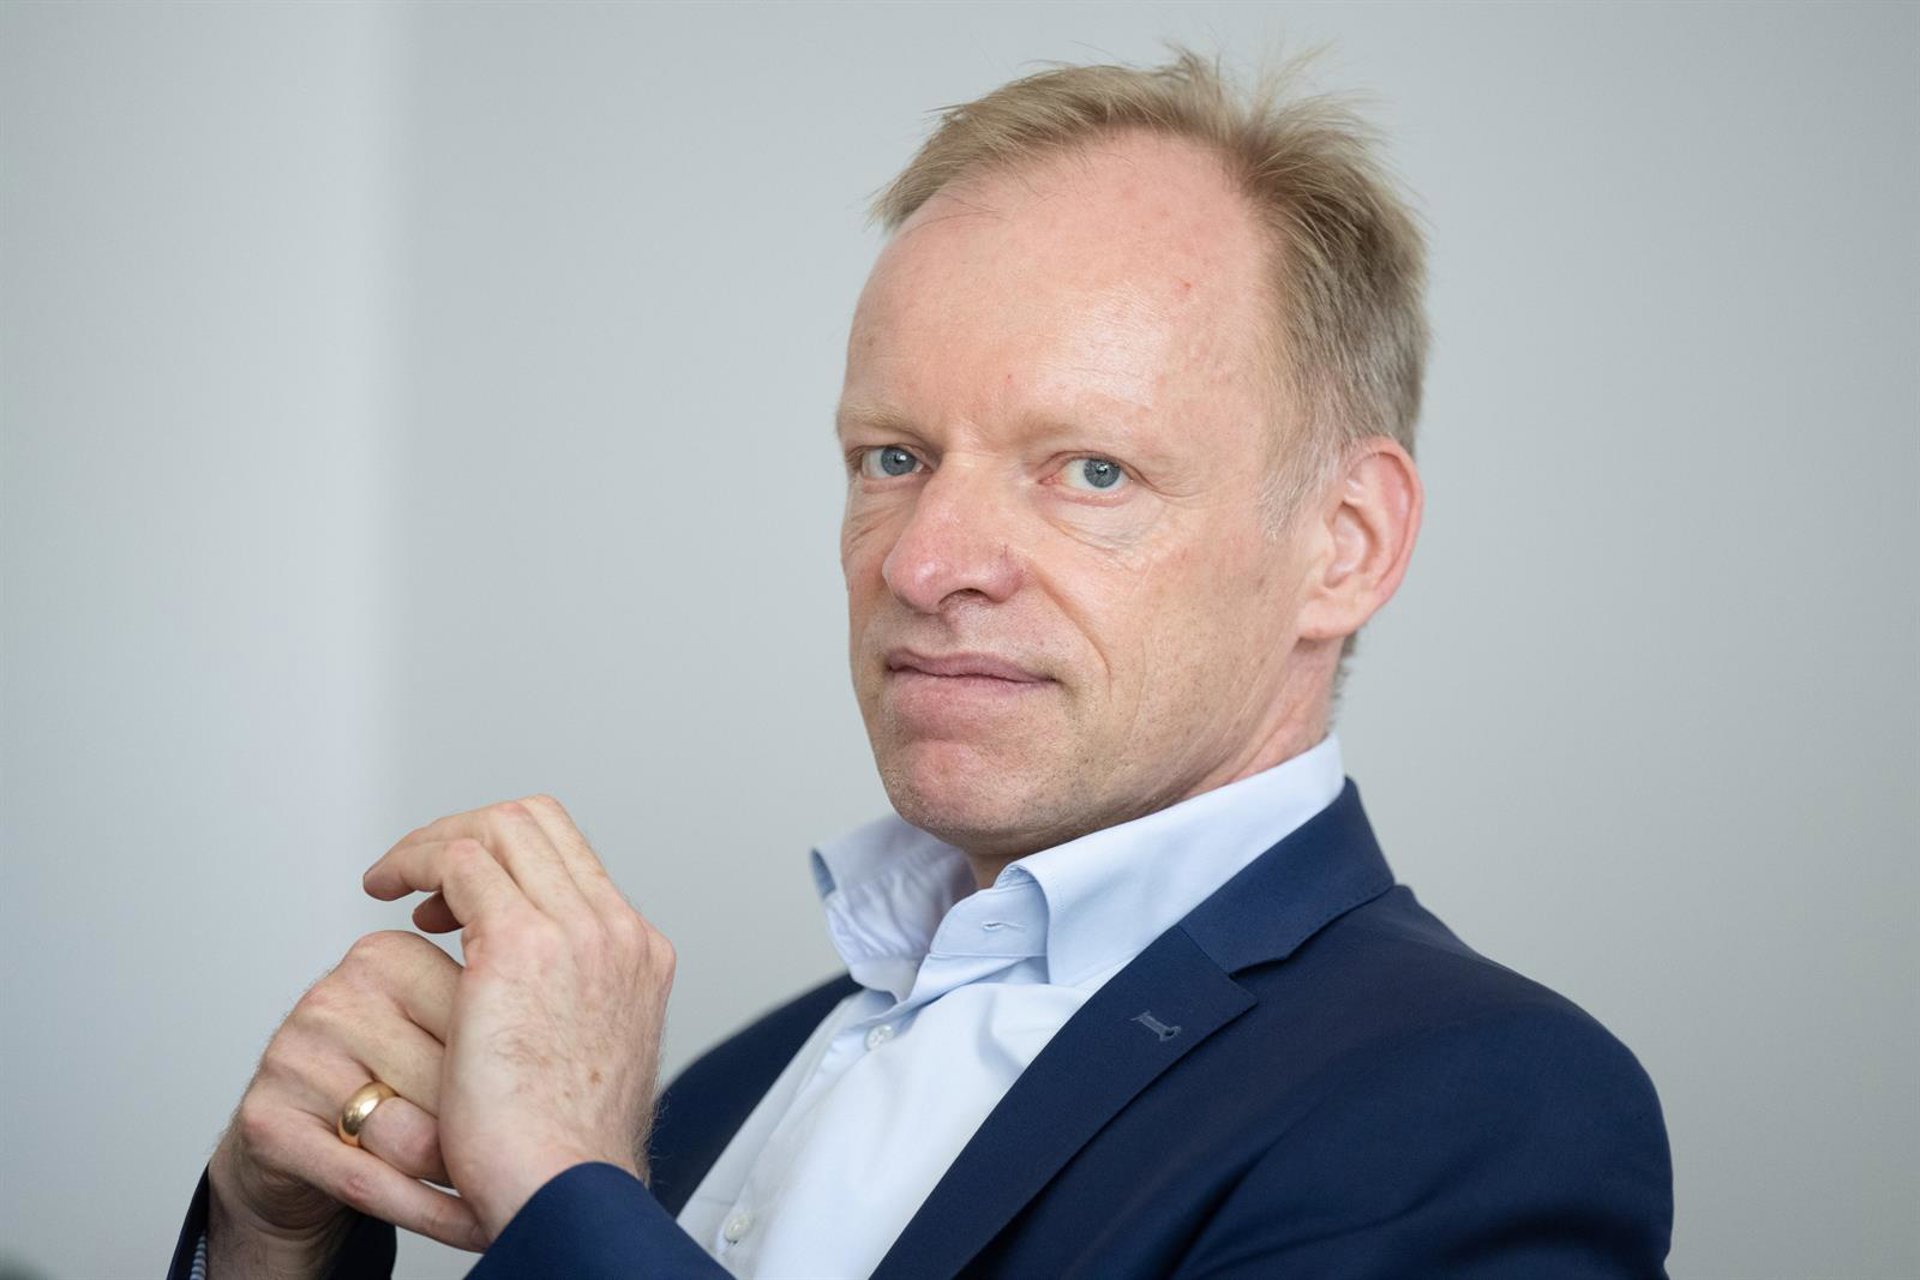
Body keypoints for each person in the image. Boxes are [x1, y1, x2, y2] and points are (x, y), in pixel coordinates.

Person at [168, 48, 1673, 1279]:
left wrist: (567, 1186)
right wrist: (273, 1247)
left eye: (1089, 470)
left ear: (1344, 545)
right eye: (892, 456)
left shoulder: (1482, 1105)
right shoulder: (730, 1090)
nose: (923, 560)